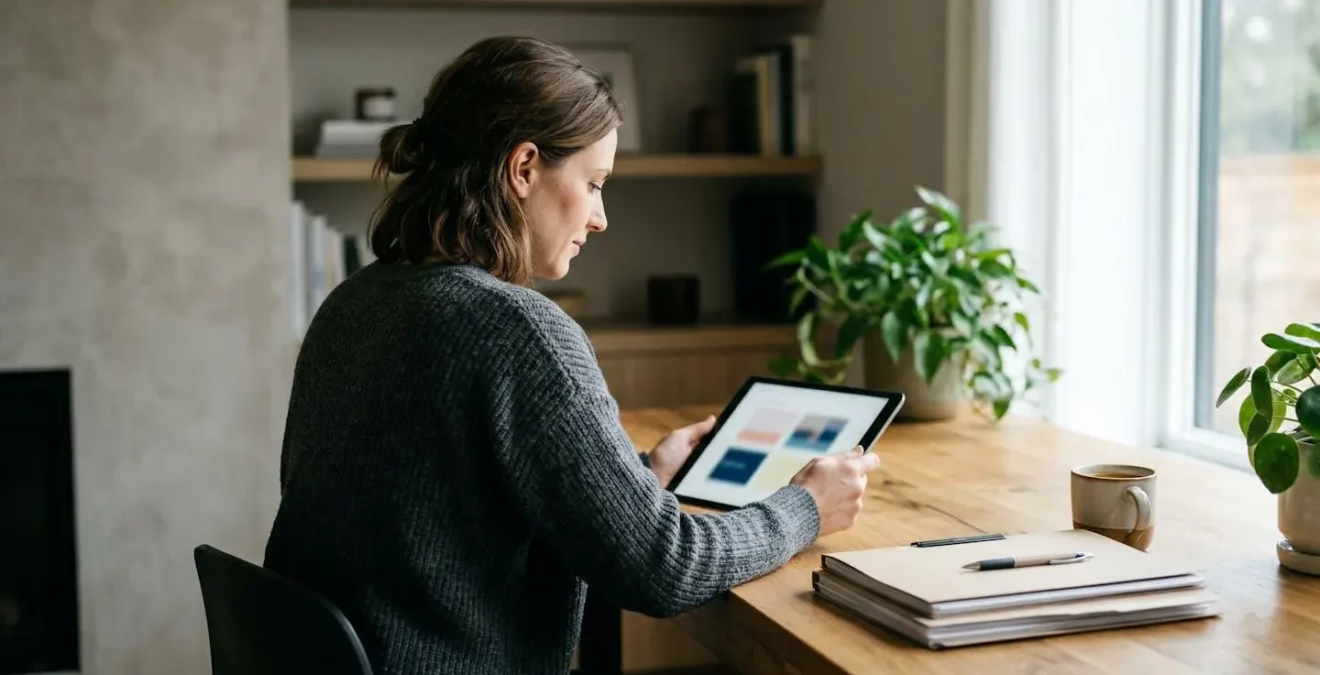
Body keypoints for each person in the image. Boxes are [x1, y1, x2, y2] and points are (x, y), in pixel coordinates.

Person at [263, 35, 880, 675]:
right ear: (524, 168)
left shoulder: (356, 301)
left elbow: (439, 504)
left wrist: (636, 475)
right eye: (593, 183)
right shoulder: (519, 331)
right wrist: (805, 507)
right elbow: (663, 569)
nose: (601, 217)